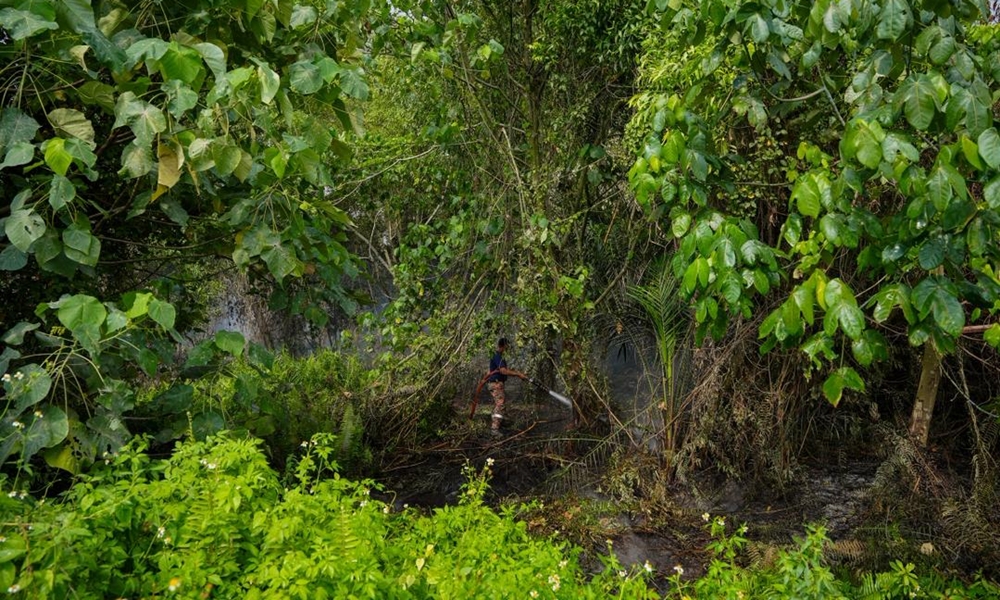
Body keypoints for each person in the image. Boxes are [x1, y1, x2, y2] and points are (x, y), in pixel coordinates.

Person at [486, 337, 527, 434]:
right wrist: (518, 374)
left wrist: (518, 373)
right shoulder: (497, 356)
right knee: (500, 405)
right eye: (507, 346)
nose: (508, 349)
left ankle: (500, 424)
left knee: (500, 405)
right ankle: (494, 428)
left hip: (496, 383)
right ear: (504, 346)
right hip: (496, 383)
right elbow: (503, 371)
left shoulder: (499, 356)